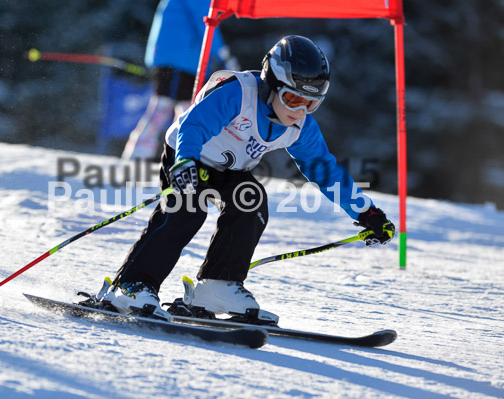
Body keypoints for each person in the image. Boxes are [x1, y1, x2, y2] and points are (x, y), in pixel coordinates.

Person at [108, 35, 395, 322]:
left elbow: (325, 170)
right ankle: (132, 286)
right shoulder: (239, 93)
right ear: (272, 86)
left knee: (252, 201)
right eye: (293, 99)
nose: (299, 112)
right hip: (189, 158)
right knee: (186, 211)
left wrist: (365, 211)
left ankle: (217, 286)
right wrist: (185, 161)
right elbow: (194, 126)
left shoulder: (300, 126)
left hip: (230, 172)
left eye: (311, 103)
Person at [121, 0, 237, 160]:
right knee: (171, 107)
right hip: (180, 61)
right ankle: (144, 150)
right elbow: (206, 23)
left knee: (182, 108)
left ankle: (174, 152)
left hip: (175, 58)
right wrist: (223, 54)